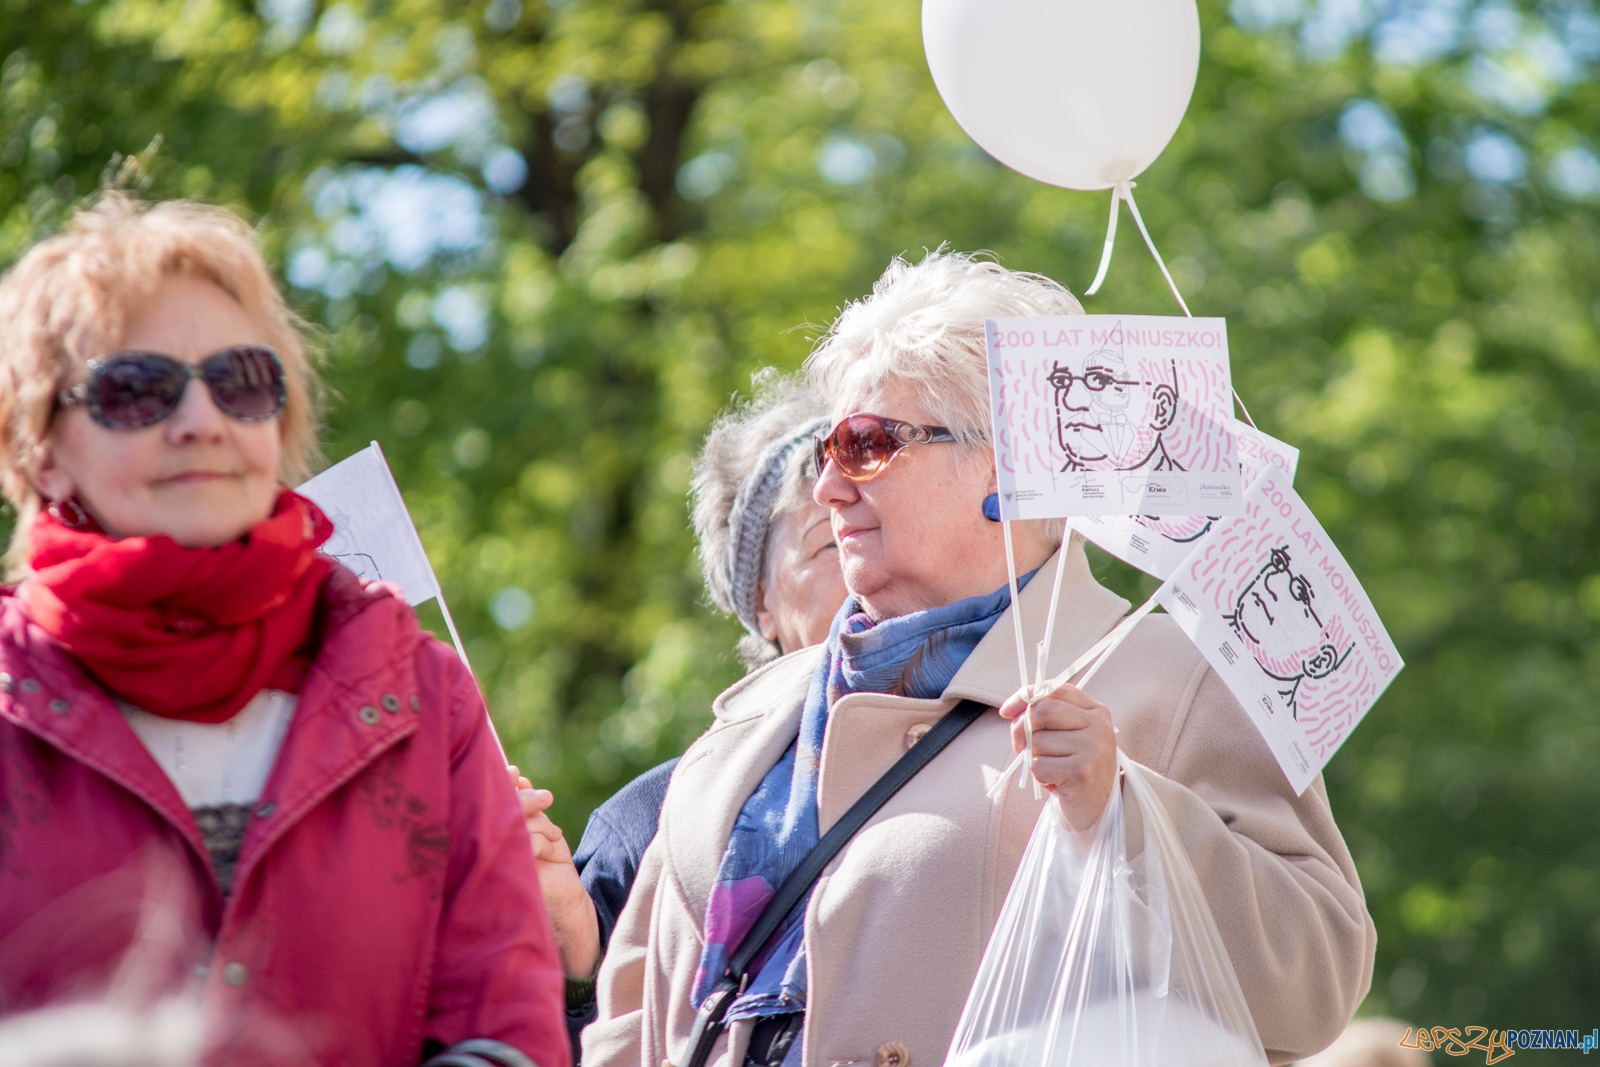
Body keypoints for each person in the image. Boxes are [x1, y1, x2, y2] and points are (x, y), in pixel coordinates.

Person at [583, 251, 1376, 1067]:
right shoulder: (744, 726)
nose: (826, 487)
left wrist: (1127, 816)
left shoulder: (1174, 676)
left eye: (864, 445)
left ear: (1004, 462)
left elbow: (1316, 979)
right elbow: (627, 1022)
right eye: (826, 450)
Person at [0, 194, 568, 1067]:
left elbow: (506, 1033)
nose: (202, 420)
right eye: (138, 390)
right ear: (42, 446)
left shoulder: (423, 691)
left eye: (241, 380)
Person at [512, 379, 846, 1061]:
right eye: (827, 544)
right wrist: (579, 953)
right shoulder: (654, 819)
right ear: (761, 603)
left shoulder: (1020, 745)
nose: (864, 561)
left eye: (874, 527)